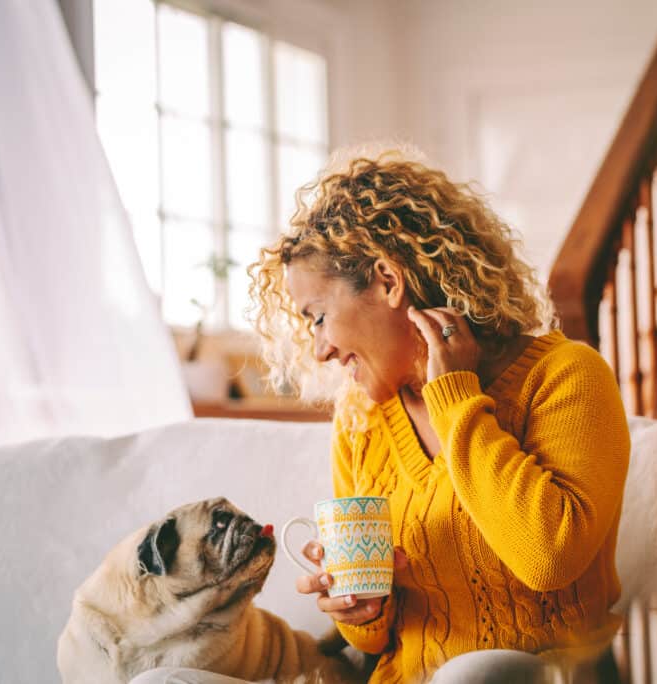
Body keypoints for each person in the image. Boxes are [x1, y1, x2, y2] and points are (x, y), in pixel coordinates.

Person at [248, 147, 631, 683]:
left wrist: (454, 395)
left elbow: (548, 558)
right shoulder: (360, 420)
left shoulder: (566, 375)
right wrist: (362, 608)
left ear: (387, 280)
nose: (319, 351)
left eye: (318, 318)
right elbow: (373, 642)